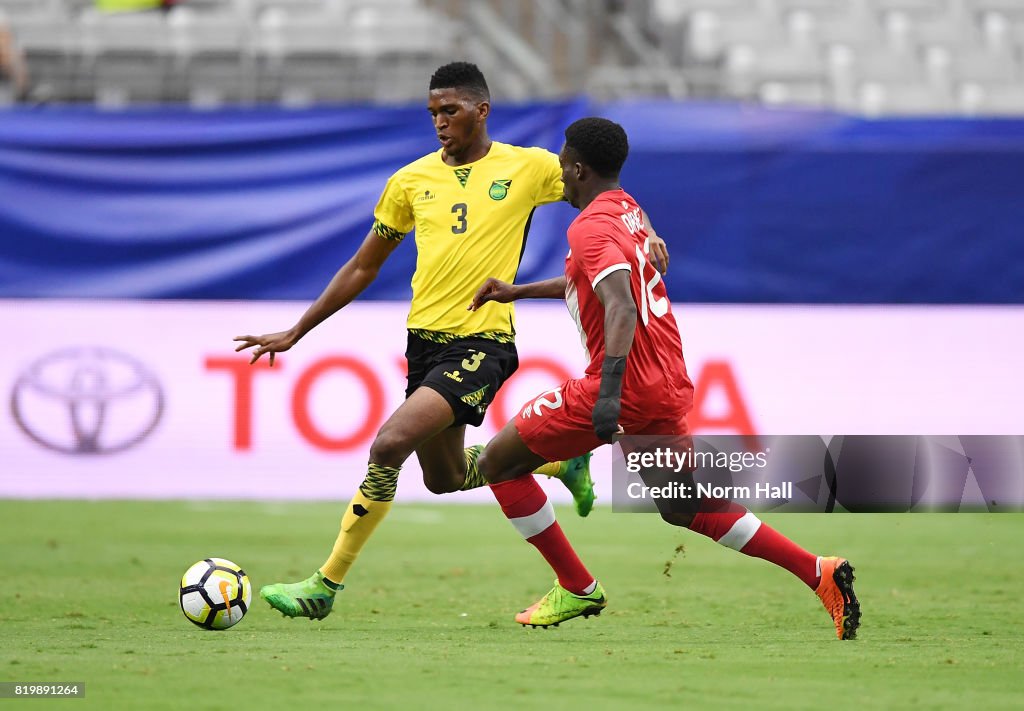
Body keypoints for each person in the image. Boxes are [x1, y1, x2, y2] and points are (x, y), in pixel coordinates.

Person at [233, 63, 670, 621]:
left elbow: (610, 198)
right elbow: (364, 266)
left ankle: (324, 584)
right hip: (424, 344)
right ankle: (561, 465)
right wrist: (297, 329)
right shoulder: (409, 181)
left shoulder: (528, 166)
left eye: (451, 111)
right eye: (433, 113)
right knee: (441, 478)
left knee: (389, 444)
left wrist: (649, 231)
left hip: (483, 342)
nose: (440, 123)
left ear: (481, 111)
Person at [469, 117, 861, 640]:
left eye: (564, 166)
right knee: (683, 506)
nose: (560, 176)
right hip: (667, 381)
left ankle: (577, 585)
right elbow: (590, 278)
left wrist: (607, 396)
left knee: (500, 462)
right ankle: (819, 572)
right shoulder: (628, 211)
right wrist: (517, 292)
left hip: (623, 385)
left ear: (579, 168)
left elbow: (621, 306)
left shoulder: (586, 226)